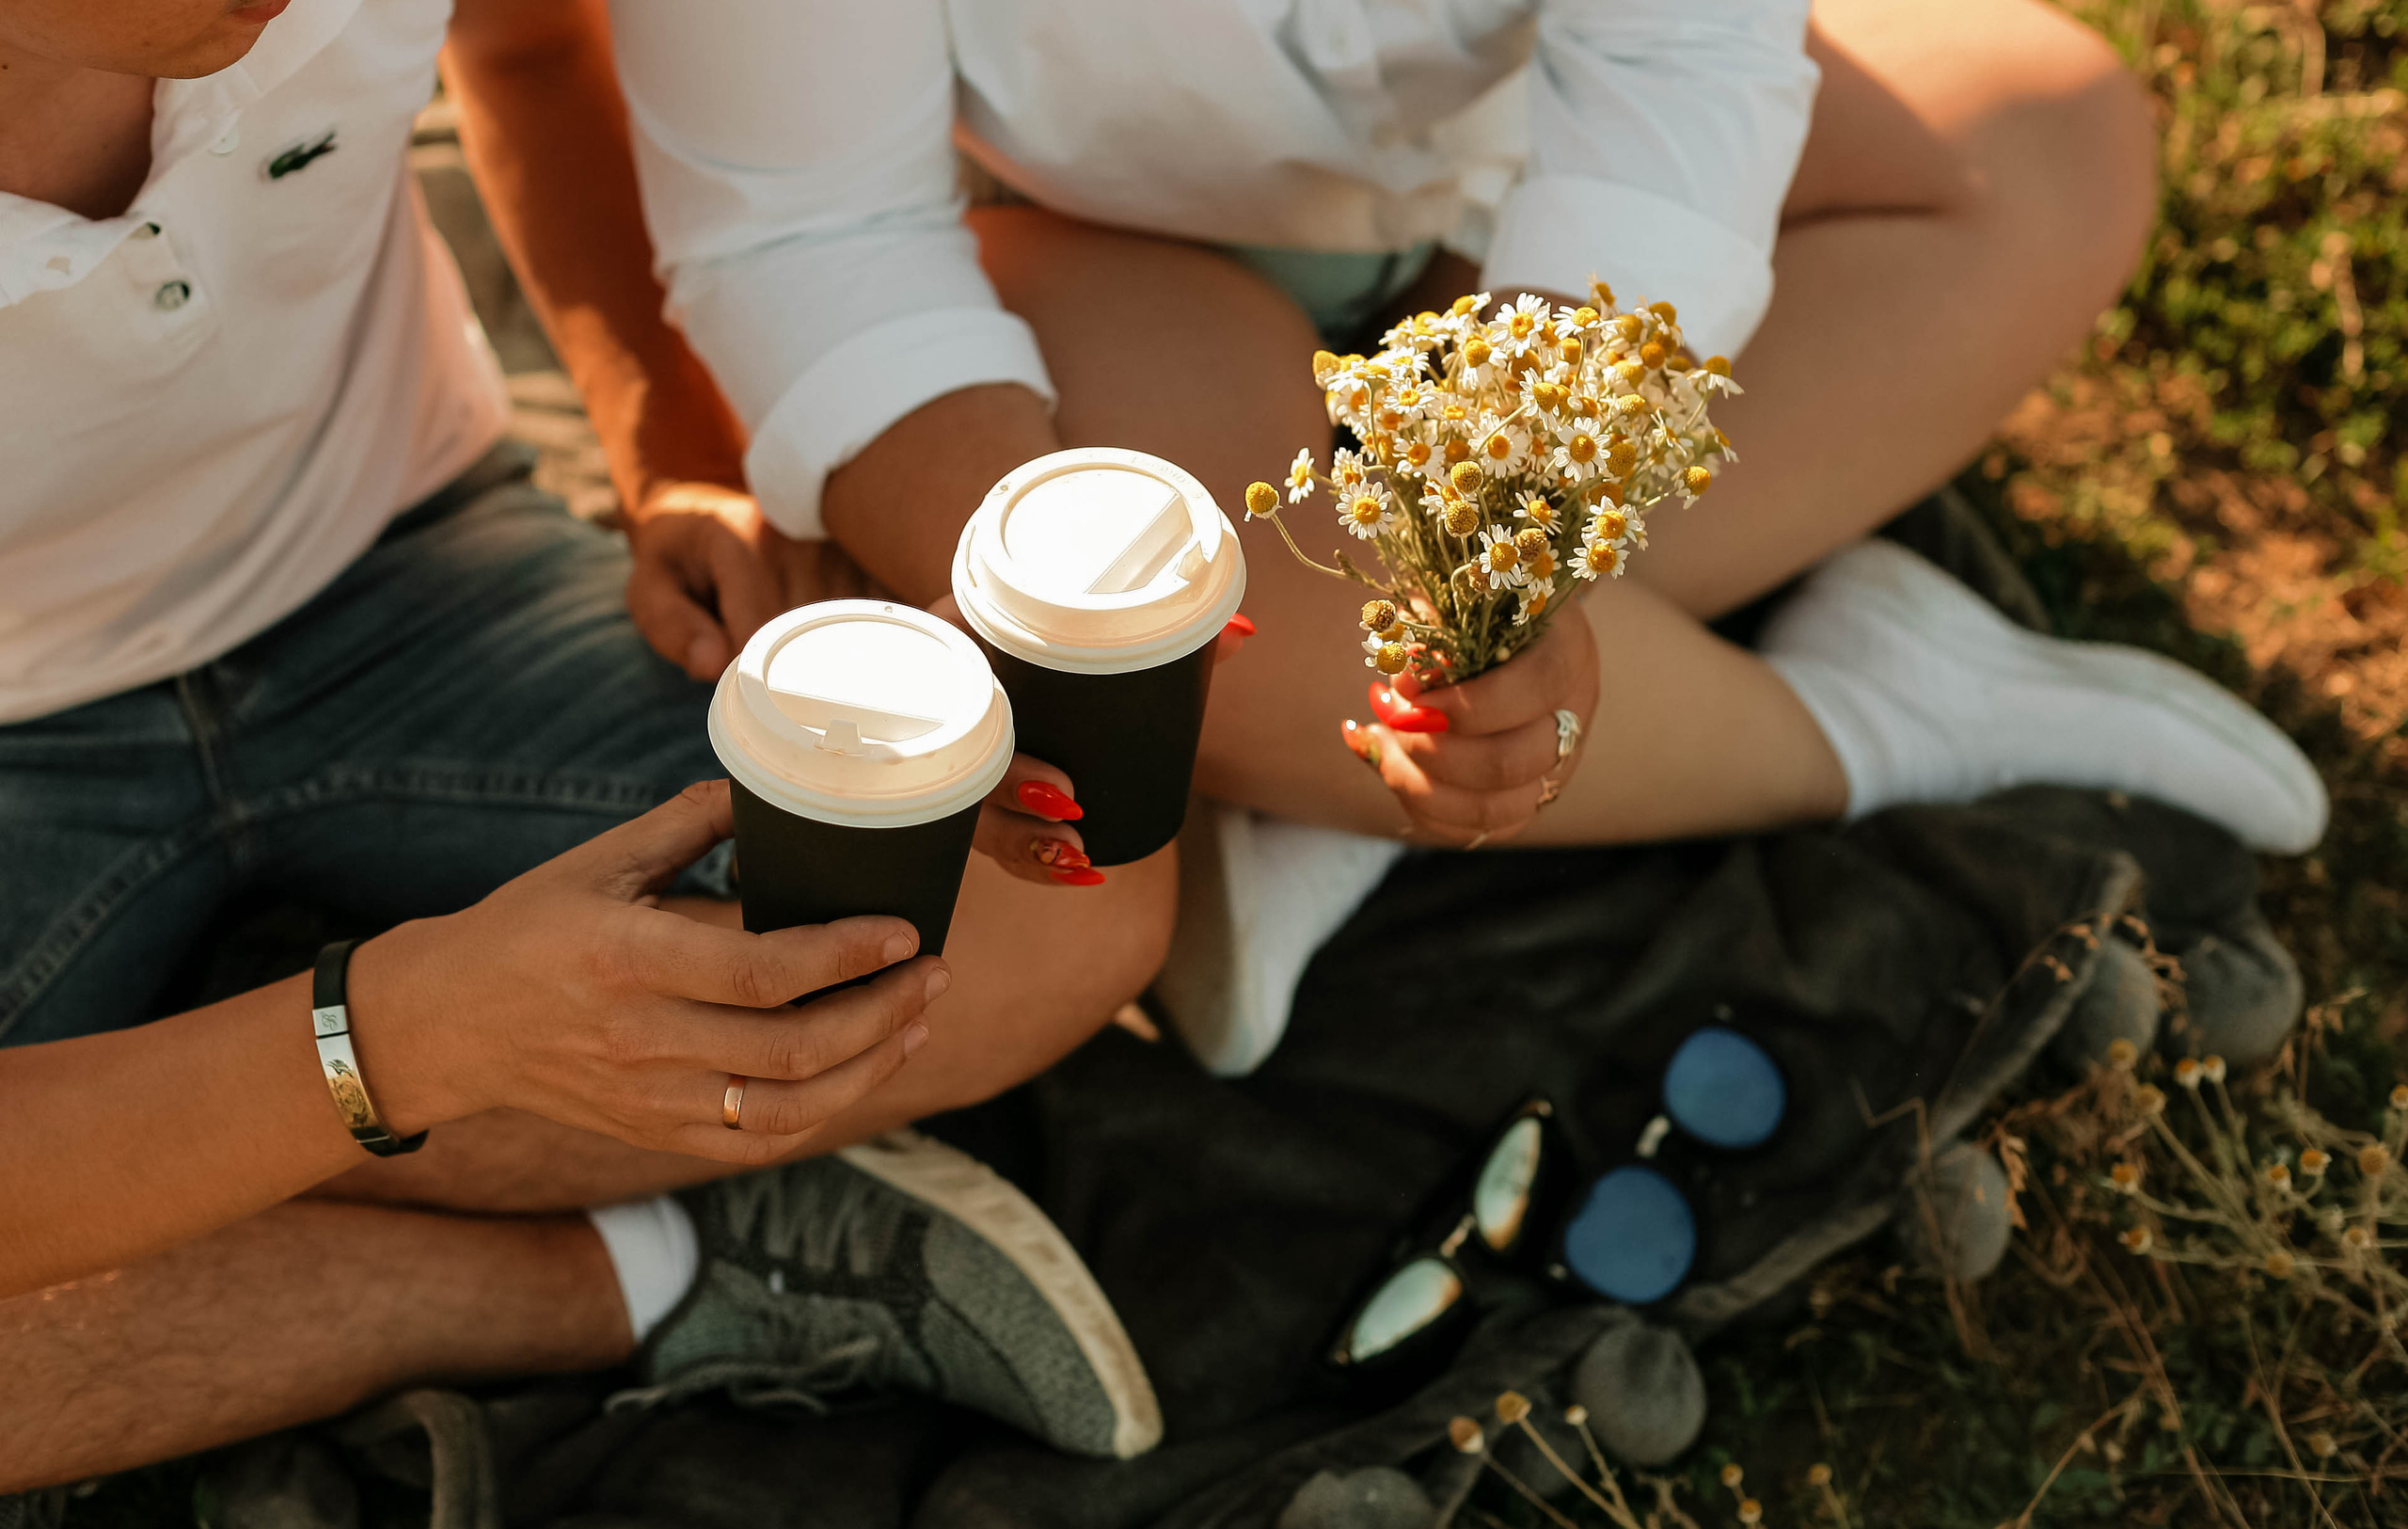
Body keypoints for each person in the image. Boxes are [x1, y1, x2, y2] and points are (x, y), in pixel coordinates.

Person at [0, 0, 1177, 1496]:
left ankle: (169, 1123)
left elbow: (529, 42)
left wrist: (666, 444)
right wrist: (418, 1027)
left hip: (404, 565)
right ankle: (651, 1269)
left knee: (1061, 894)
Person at [586, 0, 2327, 860]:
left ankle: (1391, 787)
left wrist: (1512, 538)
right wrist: (1041, 631)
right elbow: (817, 236)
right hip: (1118, 264)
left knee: (2049, 141)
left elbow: (1678, 74)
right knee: (1164, 634)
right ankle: (1880, 724)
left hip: (1522, 193)